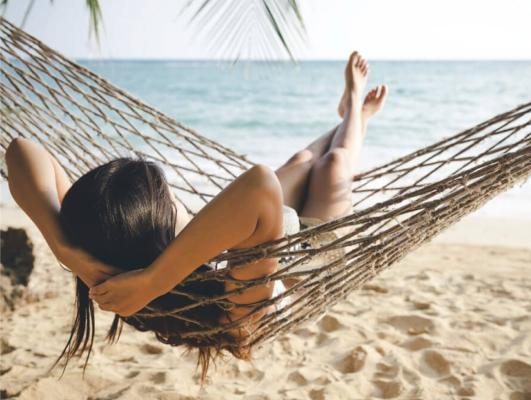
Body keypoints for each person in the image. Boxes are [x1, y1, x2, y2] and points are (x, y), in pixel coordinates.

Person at [5, 51, 388, 379]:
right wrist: (154, 281)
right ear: (161, 238)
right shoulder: (232, 303)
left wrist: (66, 251)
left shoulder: (108, 257)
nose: (181, 202)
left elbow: (21, 150)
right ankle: (357, 113)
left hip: (259, 225)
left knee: (302, 160)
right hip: (304, 251)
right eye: (174, 204)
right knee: (334, 164)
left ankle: (343, 120)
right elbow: (259, 186)